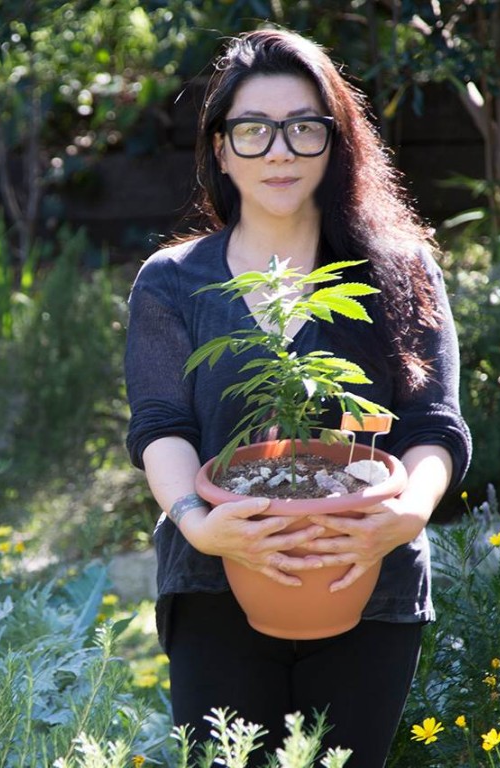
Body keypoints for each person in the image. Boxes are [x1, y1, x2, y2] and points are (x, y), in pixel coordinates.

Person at [123, 27, 472, 767]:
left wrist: (402, 519)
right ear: (220, 148)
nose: (279, 151)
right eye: (253, 130)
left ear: (335, 139)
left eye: (303, 128)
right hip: (216, 582)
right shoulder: (173, 281)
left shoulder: (399, 271)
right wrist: (196, 520)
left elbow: (434, 425)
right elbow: (161, 425)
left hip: (367, 576)